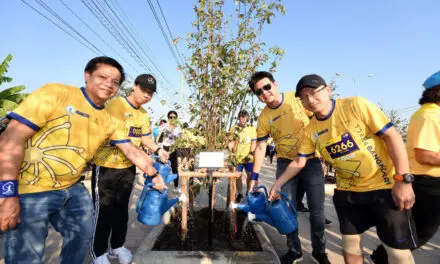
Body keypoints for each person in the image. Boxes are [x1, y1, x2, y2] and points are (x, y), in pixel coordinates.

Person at [0, 57, 166, 264]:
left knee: (83, 235)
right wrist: (6, 195)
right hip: (30, 191)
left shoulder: (108, 119)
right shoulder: (56, 93)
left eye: (115, 82)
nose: (109, 84)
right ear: (87, 76)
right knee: (27, 256)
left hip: (71, 188)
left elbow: (130, 149)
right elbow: (10, 138)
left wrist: (155, 174)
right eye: (103, 77)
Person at [269, 74, 418, 264]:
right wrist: (277, 184)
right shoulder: (310, 130)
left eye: (314, 92)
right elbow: (299, 161)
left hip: (384, 188)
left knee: (397, 252)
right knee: (351, 248)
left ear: (328, 90)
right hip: (348, 194)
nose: (310, 100)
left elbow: (392, 136)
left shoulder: (356, 105)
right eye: (303, 97)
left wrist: (403, 179)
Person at [248, 71, 329, 264]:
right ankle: (294, 250)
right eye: (259, 92)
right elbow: (260, 147)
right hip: (285, 165)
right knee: (286, 209)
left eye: (267, 87)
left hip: (311, 162)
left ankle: (320, 252)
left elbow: (320, 119)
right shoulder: (263, 118)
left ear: (275, 84)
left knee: (317, 211)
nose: (265, 93)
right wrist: (254, 177)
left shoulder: (298, 99)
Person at [91, 74, 169, 264]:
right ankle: (98, 252)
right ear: (134, 86)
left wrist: (159, 149)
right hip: (106, 167)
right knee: (104, 211)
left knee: (121, 211)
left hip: (128, 168)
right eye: (144, 90)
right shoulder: (114, 105)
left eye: (150, 93)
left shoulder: (143, 114)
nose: (146, 95)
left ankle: (117, 246)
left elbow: (145, 138)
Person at [370, 71, 440, 263]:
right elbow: (424, 154)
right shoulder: (429, 116)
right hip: (427, 183)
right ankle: (383, 257)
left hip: (430, 182)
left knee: (416, 231)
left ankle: (382, 256)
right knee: (419, 231)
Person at [227, 109, 257, 203]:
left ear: (247, 118)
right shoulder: (234, 128)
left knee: (249, 175)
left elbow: (254, 142)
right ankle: (239, 193)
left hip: (248, 158)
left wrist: (251, 153)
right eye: (240, 117)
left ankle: (248, 192)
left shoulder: (251, 129)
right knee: (237, 176)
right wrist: (230, 149)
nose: (242, 119)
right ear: (239, 118)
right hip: (237, 158)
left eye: (244, 117)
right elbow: (230, 141)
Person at [158, 110, 182, 190]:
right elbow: (159, 137)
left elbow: (180, 139)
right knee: (162, 168)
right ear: (168, 118)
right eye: (170, 117)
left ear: (176, 118)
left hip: (173, 149)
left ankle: (176, 186)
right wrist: (160, 149)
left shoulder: (178, 128)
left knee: (175, 169)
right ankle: (161, 186)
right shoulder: (164, 126)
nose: (172, 118)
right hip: (164, 148)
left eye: (174, 117)